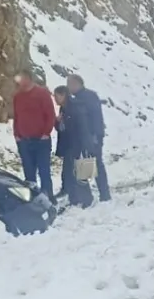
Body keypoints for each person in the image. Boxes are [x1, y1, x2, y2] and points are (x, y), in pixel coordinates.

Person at [12, 69, 57, 199]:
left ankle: (48, 199)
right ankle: (33, 200)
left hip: (41, 140)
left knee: (44, 171)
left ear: (28, 78)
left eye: (21, 78)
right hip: (24, 140)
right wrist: (17, 134)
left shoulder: (42, 93)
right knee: (29, 173)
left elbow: (50, 115)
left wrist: (46, 133)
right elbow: (17, 116)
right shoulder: (17, 96)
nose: (19, 82)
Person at [65, 74, 110, 202]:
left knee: (96, 164)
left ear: (78, 84)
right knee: (85, 164)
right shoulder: (75, 99)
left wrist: (96, 136)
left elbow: (96, 118)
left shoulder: (89, 97)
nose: (69, 87)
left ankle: (104, 194)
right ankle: (86, 196)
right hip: (82, 137)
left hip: (92, 136)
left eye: (70, 84)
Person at [53, 85, 94, 208]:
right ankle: (73, 198)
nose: (55, 99)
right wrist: (57, 122)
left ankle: (87, 198)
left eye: (56, 96)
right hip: (68, 145)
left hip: (78, 144)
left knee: (81, 172)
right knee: (69, 173)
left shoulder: (76, 106)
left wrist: (86, 145)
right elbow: (61, 128)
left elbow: (82, 127)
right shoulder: (63, 108)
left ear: (63, 95)